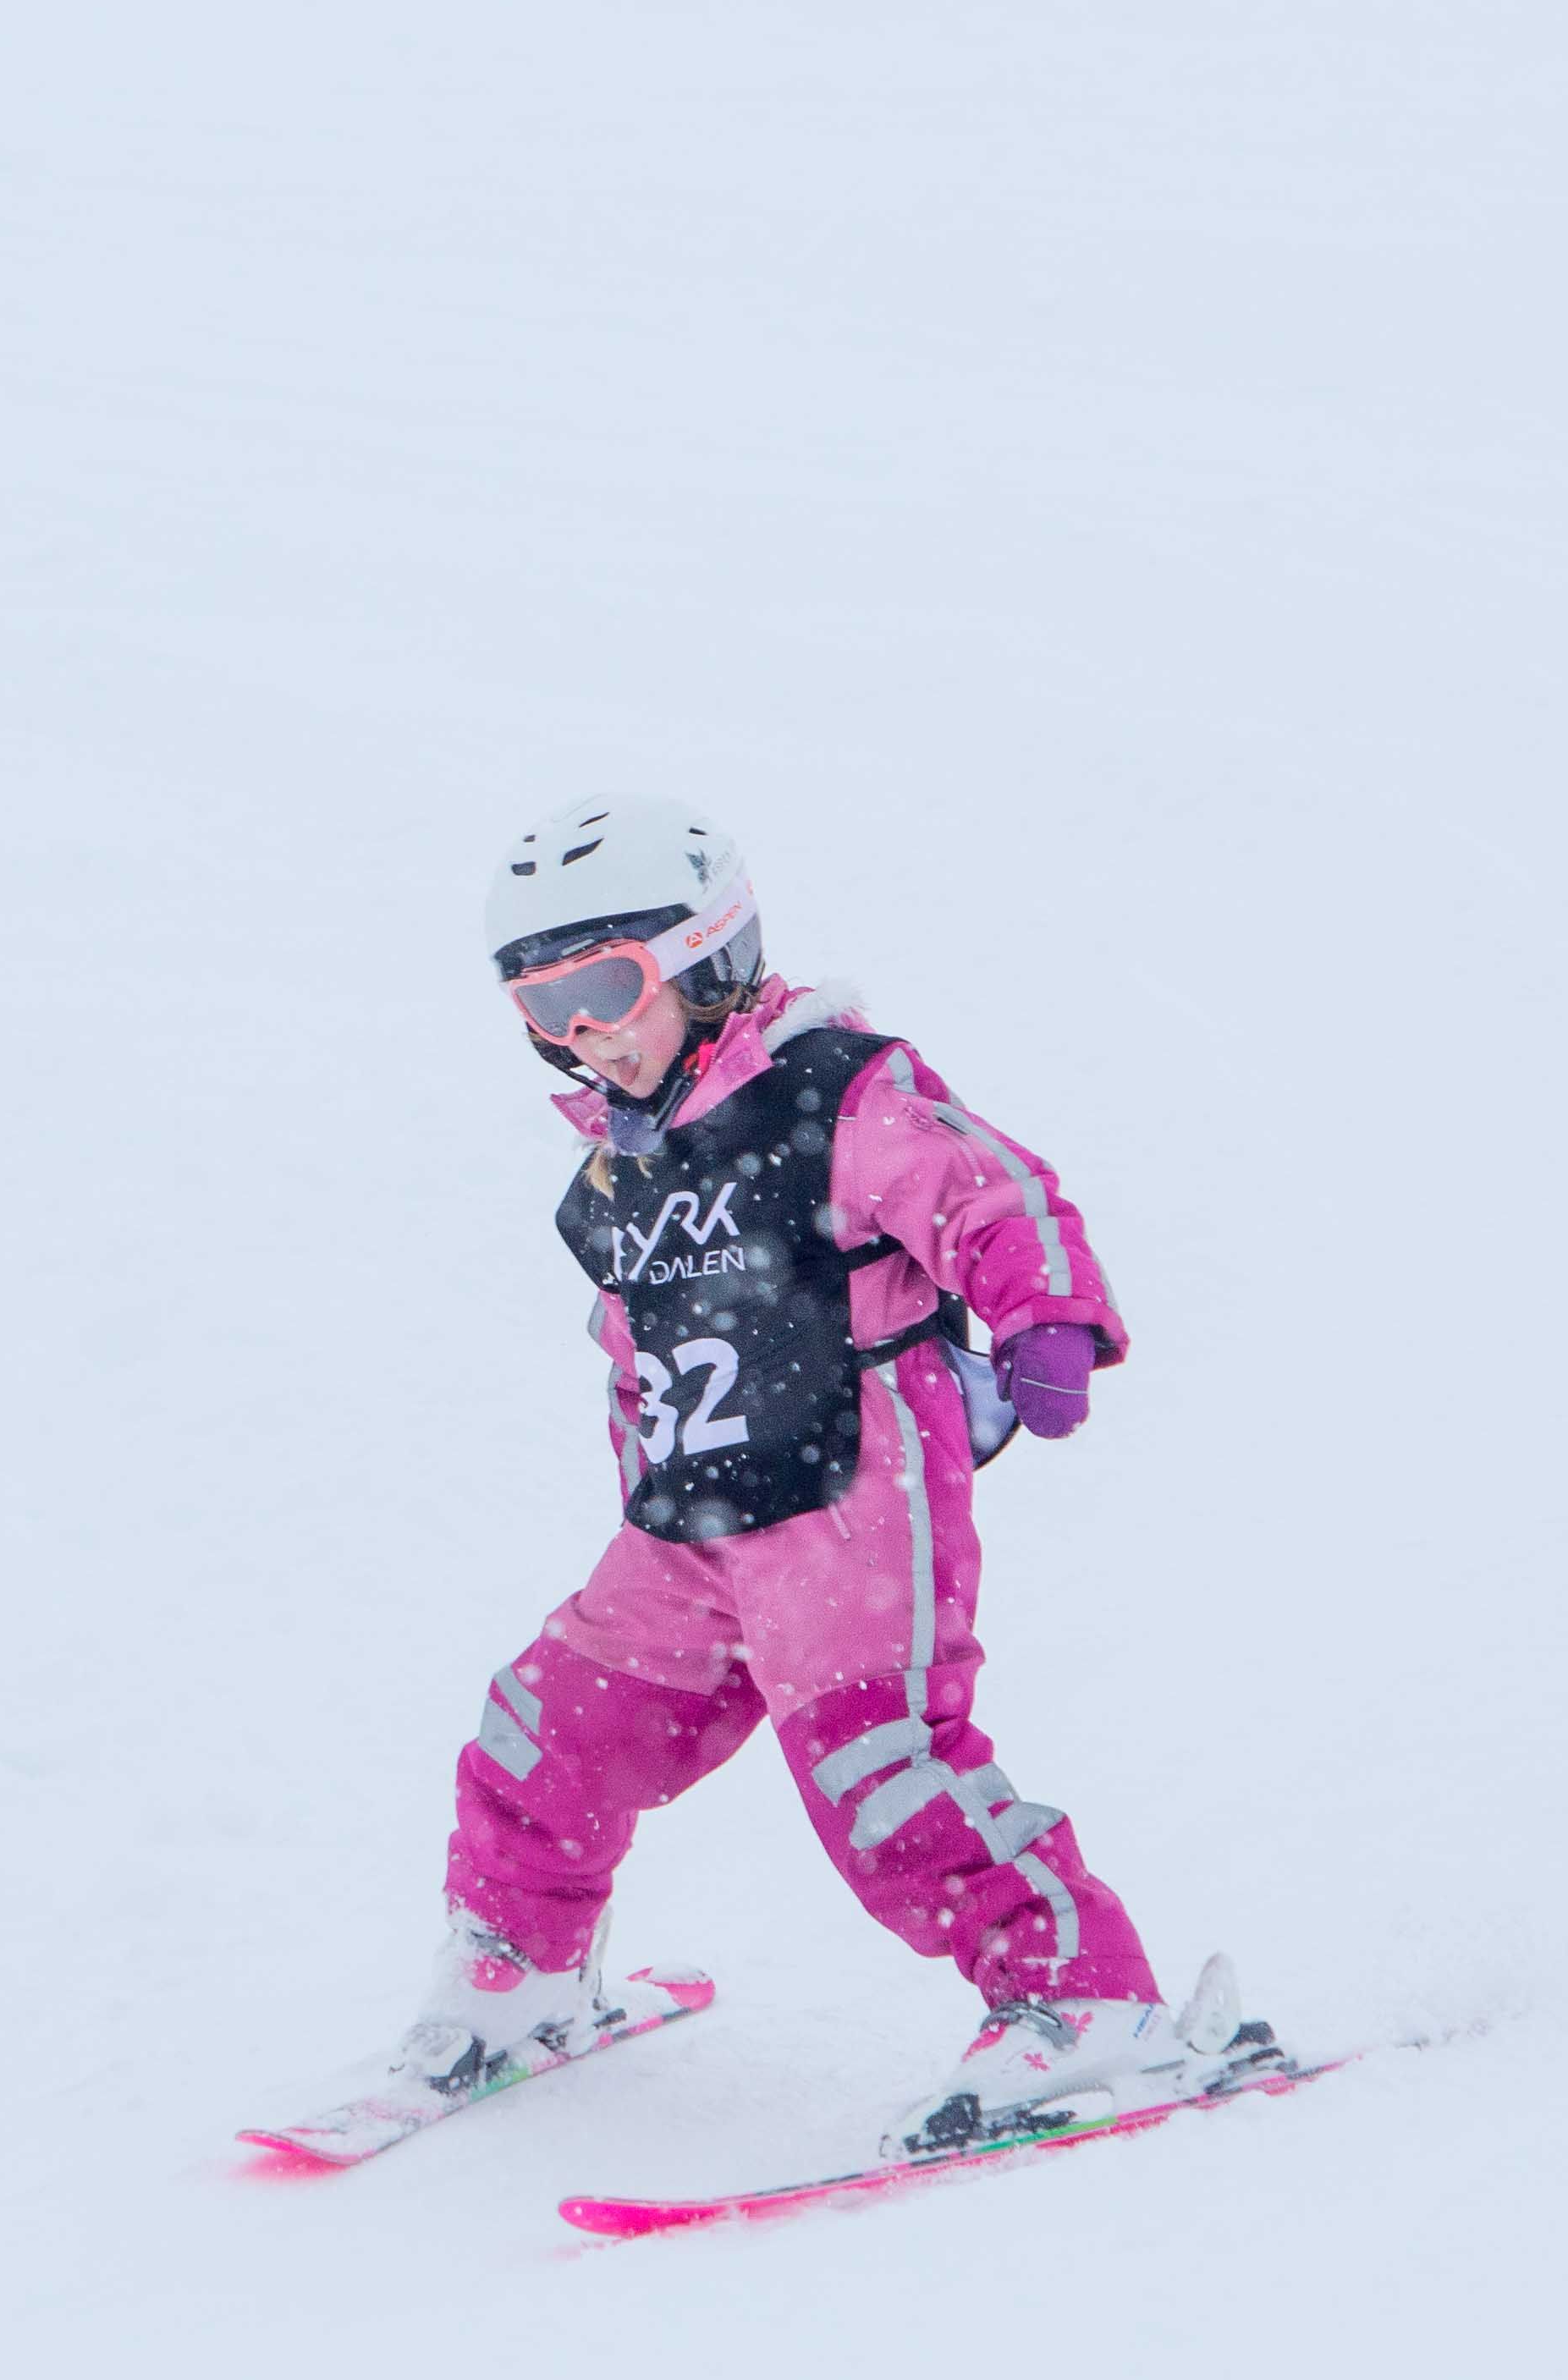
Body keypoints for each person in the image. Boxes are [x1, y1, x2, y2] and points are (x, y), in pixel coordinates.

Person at [391, 791, 1269, 2160]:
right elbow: (639, 1358)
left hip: (849, 1507)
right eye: (540, 1004)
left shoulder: (834, 1091)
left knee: (882, 1771)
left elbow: (994, 1192)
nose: (581, 1033)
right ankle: (520, 1976)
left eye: (605, 985)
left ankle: (1082, 2003)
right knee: (544, 1728)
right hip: (689, 1531)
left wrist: (1040, 1317)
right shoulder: (614, 1177)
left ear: (709, 950)